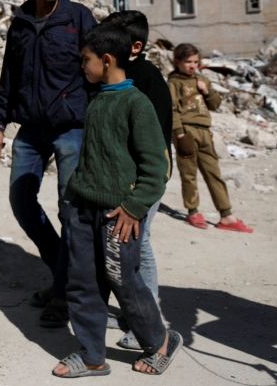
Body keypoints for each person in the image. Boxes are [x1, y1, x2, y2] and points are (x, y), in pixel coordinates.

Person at [52, 22, 181, 377]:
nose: (82, 65)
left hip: (118, 214)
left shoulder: (136, 104)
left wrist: (135, 206)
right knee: (81, 281)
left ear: (106, 60)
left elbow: (156, 166)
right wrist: (74, 201)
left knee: (122, 280)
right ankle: (93, 355)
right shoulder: (97, 101)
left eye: (86, 59)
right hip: (84, 207)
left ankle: (160, 341)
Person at [0, 0, 96, 326]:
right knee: (21, 199)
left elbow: (98, 73)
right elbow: (9, 77)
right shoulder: (18, 24)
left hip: (71, 129)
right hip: (31, 130)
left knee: (71, 211)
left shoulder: (79, 19)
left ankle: (64, 294)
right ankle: (61, 274)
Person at [101, 10, 171, 350]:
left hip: (146, 175)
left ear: (135, 46)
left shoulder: (146, 77)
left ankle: (151, 313)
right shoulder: (117, 73)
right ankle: (136, 312)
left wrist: (139, 188)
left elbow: (152, 144)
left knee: (139, 240)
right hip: (124, 174)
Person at [168, 43, 252, 233]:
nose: (192, 65)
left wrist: (207, 91)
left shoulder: (202, 80)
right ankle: (193, 211)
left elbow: (215, 104)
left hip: (205, 131)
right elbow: (171, 109)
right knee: (189, 174)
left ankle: (226, 215)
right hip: (187, 131)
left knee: (214, 173)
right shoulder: (174, 83)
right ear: (177, 62)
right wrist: (179, 133)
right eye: (188, 62)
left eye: (196, 62)